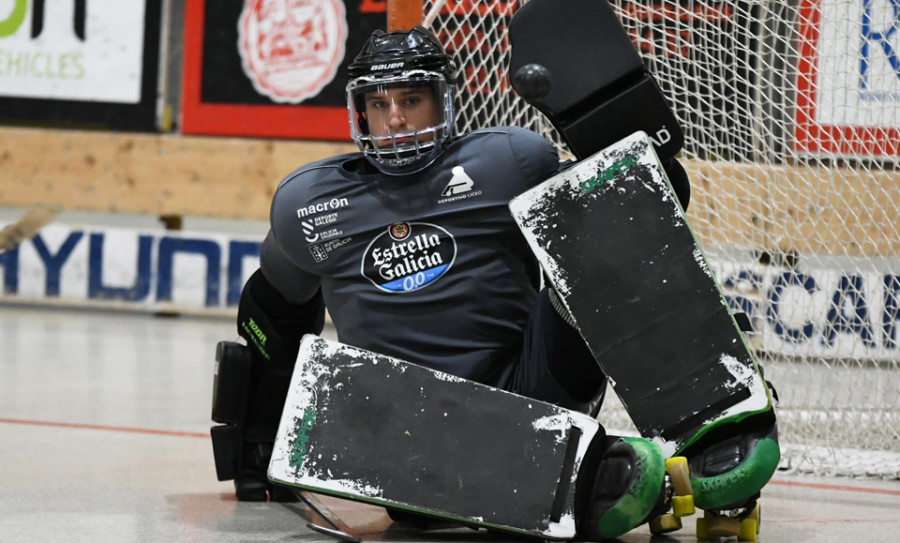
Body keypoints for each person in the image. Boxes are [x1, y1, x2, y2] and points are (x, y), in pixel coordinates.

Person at [216, 26, 664, 540]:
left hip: (531, 391)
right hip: (408, 436)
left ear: (445, 101)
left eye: (411, 99)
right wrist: (256, 444)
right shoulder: (309, 205)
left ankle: (715, 424)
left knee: (601, 246)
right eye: (378, 104)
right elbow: (269, 312)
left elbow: (624, 223)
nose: (396, 119)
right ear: (358, 112)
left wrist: (640, 167)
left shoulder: (510, 163)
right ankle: (567, 477)